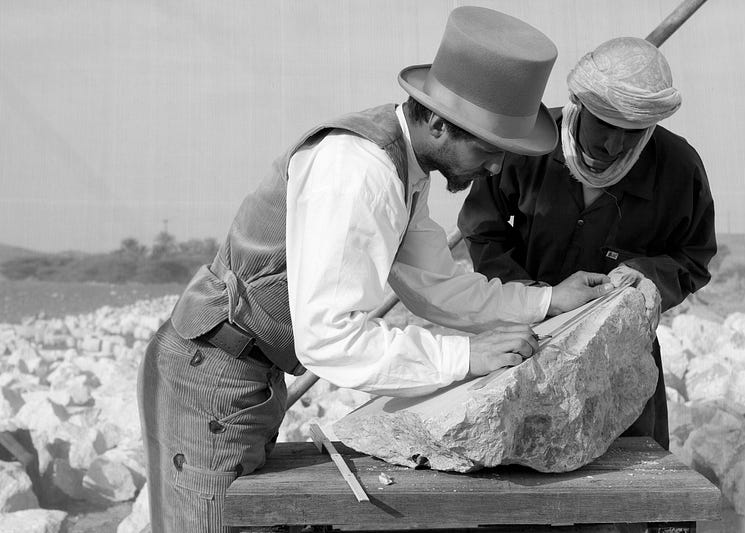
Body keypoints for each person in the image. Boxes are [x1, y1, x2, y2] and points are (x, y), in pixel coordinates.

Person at [138, 7, 615, 532]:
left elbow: (437, 286)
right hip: (212, 374)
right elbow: (330, 337)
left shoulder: (404, 167)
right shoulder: (360, 172)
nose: (497, 168)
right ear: (439, 123)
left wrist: (547, 300)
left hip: (247, 374)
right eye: (489, 149)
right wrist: (464, 356)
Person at [458, 37, 717, 451]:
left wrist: (647, 276)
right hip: (524, 338)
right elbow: (481, 225)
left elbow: (694, 257)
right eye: (604, 126)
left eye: (632, 133)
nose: (614, 145)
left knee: (629, 468)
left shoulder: (678, 169)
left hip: (620, 353)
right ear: (578, 103)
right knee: (518, 454)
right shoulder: (528, 145)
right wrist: (531, 296)